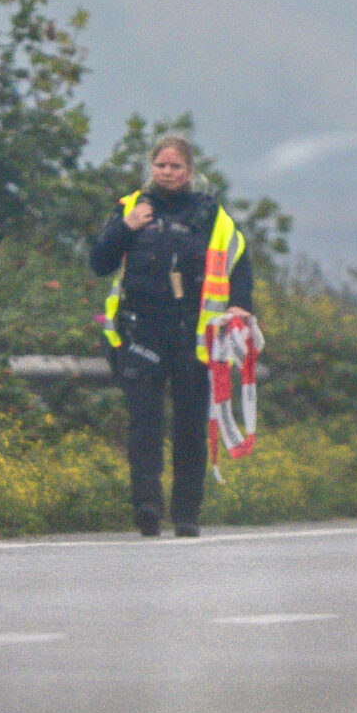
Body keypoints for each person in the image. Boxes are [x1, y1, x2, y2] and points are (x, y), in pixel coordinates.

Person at [89, 133, 255, 537]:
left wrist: (239, 304)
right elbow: (99, 262)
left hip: (192, 337)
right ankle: (147, 507)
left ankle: (186, 514)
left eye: (175, 166)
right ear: (151, 168)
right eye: (160, 166)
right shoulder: (131, 208)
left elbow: (240, 265)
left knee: (189, 428)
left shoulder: (213, 217)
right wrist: (125, 229)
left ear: (190, 172)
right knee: (144, 425)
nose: (167, 172)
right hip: (140, 331)